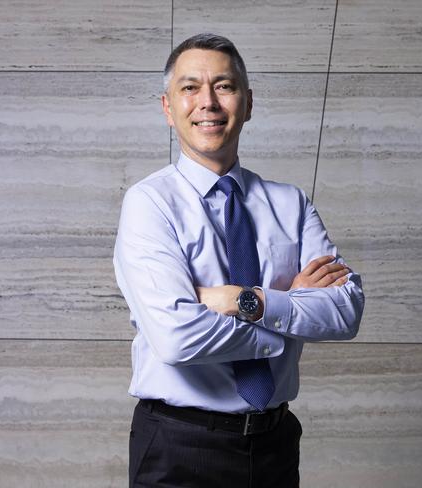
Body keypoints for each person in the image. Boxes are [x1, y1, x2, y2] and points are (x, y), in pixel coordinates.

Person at [113, 33, 364, 488]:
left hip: (274, 445)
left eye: (224, 86)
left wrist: (244, 301)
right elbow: (177, 338)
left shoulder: (291, 204)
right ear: (168, 109)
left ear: (247, 104)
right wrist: (286, 319)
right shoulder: (149, 203)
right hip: (179, 446)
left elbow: (346, 311)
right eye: (190, 88)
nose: (207, 102)